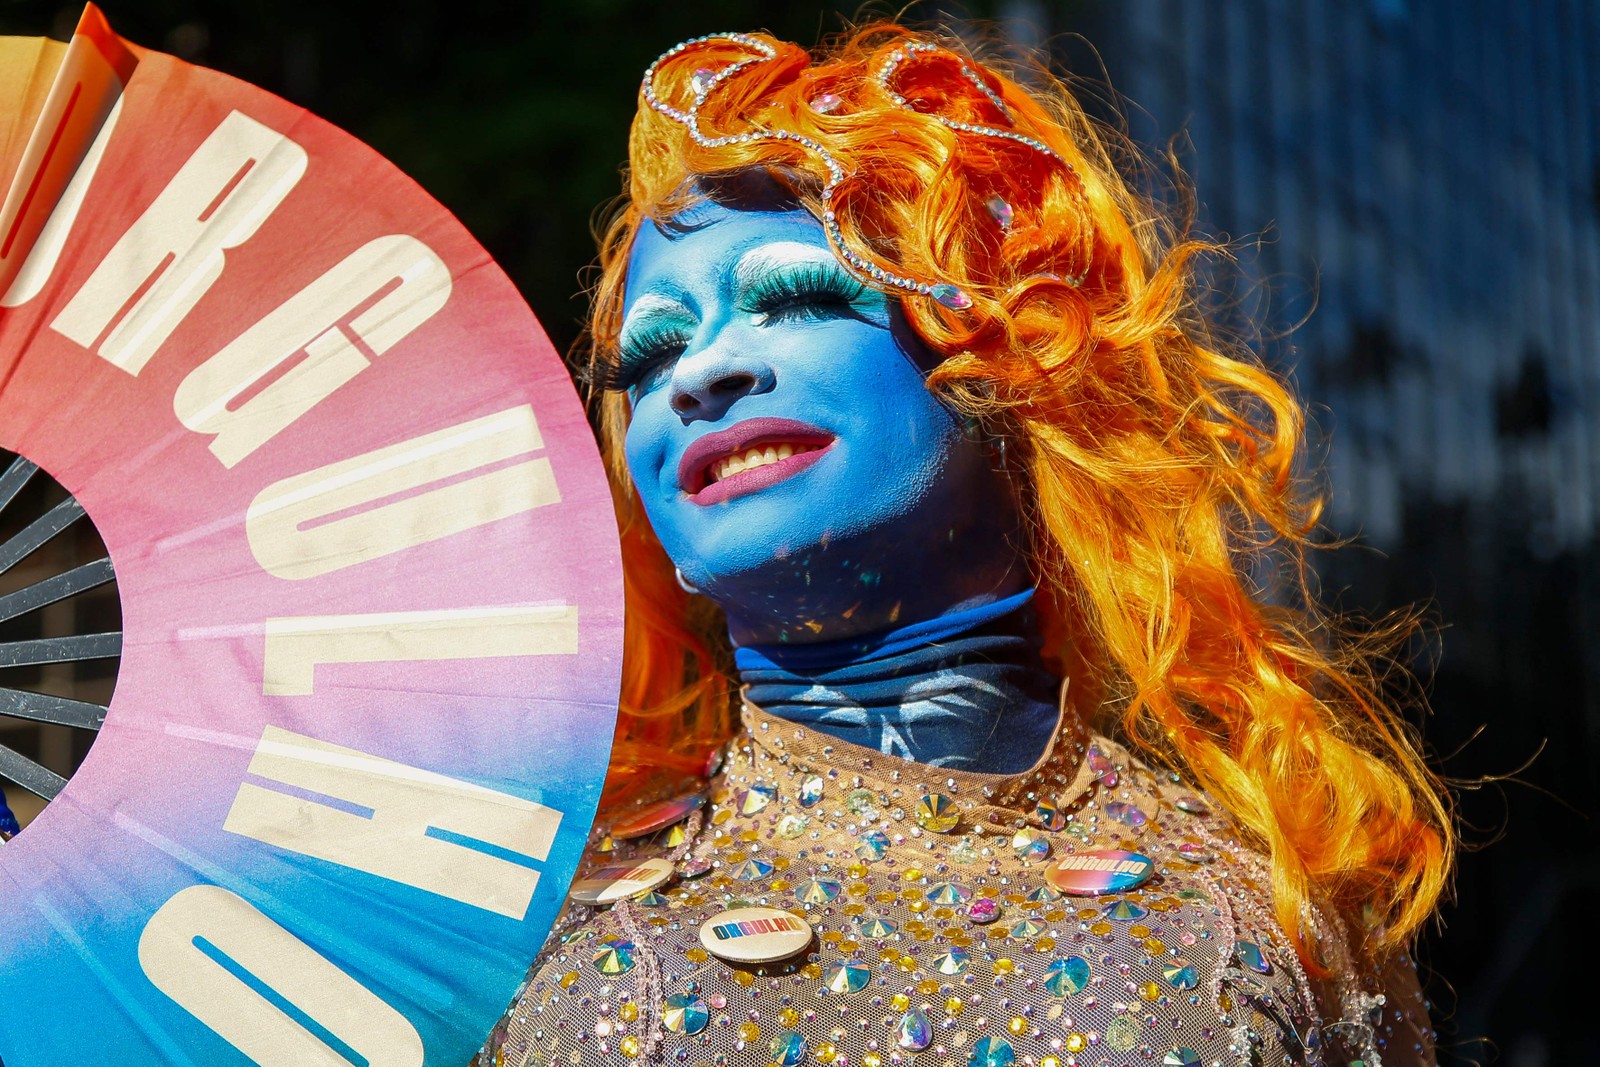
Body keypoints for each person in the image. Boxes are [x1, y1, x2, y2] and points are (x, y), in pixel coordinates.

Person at [476, 23, 1452, 1067]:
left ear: (1003, 367)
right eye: (652, 350)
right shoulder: (525, 940)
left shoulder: (1267, 907)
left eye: (797, 297)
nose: (698, 373)